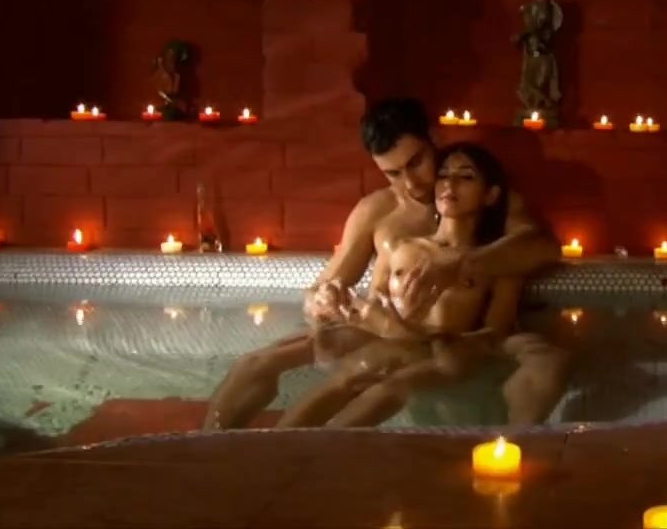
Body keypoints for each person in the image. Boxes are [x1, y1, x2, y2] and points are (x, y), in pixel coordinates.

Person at [204, 98, 568, 430]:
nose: (410, 183)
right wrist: (324, 299)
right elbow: (326, 286)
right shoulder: (379, 211)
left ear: (434, 139)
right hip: (380, 326)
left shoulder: (485, 198)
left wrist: (460, 265)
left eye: (416, 163)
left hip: (447, 335)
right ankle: (204, 451)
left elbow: (542, 247)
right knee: (254, 364)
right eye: (393, 173)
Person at [274, 143, 523, 428]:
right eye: (443, 175)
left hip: (442, 356)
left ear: (491, 195)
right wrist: (339, 309)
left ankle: (324, 449)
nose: (449, 184)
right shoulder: (405, 248)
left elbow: (495, 333)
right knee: (347, 378)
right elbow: (376, 304)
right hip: (392, 344)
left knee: (389, 388)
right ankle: (271, 448)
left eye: (466, 176)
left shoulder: (497, 263)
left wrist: (436, 342)